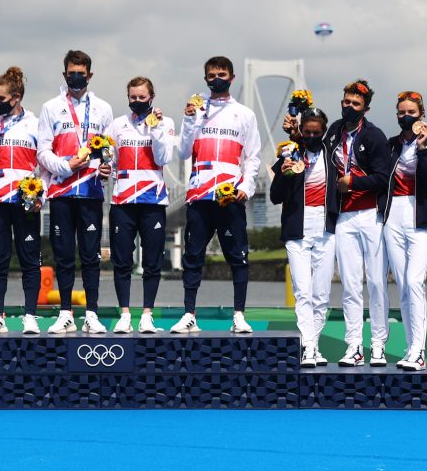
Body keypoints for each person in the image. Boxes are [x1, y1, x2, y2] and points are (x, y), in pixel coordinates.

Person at [170, 55, 261, 334]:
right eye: (211, 75)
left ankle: (239, 315)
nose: (217, 79)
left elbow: (253, 157)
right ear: (205, 78)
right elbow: (183, 152)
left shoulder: (244, 114)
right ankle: (189, 315)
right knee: (193, 256)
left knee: (237, 256)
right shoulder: (196, 109)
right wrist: (188, 121)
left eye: (222, 74)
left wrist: (246, 188)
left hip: (230, 196)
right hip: (199, 195)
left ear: (232, 78)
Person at [37, 49, 114, 334]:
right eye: (72, 73)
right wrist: (66, 165)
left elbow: (108, 151)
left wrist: (107, 168)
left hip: (91, 191)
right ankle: (66, 313)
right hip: (60, 191)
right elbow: (42, 152)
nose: (77, 77)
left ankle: (92, 313)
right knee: (64, 254)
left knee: (91, 255)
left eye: (81, 73)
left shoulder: (104, 108)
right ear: (64, 74)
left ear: (90, 75)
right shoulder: (50, 108)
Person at [325, 79, 391, 366]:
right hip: (344, 217)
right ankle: (354, 345)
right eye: (345, 102)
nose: (348, 107)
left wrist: (355, 183)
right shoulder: (333, 131)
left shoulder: (375, 136)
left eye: (355, 104)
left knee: (376, 282)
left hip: (371, 216)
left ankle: (378, 344)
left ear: (365, 108)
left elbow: (383, 177)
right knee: (350, 285)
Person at [0, 67, 42, 336]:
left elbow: (44, 165)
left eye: (1, 97)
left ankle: (30, 316)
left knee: (29, 259)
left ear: (16, 97)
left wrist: (40, 195)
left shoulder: (35, 124)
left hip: (24, 200)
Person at [106, 76, 176, 334]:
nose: (137, 101)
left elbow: (163, 157)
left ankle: (147, 315)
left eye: (141, 97)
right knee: (122, 261)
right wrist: (106, 171)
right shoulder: (117, 125)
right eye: (133, 97)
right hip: (122, 201)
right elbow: (109, 160)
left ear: (151, 98)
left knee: (152, 261)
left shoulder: (165, 123)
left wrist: (155, 128)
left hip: (152, 200)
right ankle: (124, 314)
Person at [272, 107, 337, 367]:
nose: (311, 136)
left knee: (321, 295)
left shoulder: (333, 157)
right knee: (303, 292)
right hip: (297, 230)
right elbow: (275, 195)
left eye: (316, 132)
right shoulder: (289, 152)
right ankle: (307, 346)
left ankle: (314, 343)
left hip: (325, 229)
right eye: (307, 132)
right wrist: (285, 174)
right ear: (302, 131)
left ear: (323, 132)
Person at [383, 91, 427, 371]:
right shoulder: (391, 144)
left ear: (422, 115)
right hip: (393, 215)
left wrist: (421, 148)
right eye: (401, 113)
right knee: (403, 288)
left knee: (414, 281)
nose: (405, 117)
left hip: (420, 216)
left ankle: (420, 350)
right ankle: (410, 348)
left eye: (411, 112)